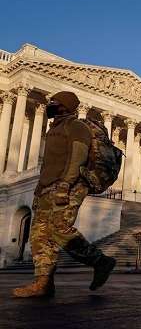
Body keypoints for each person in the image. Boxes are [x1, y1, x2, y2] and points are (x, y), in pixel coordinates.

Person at [12, 91, 116, 298]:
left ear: (65, 106)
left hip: (69, 185)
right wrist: (39, 189)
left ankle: (100, 261)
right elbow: (48, 165)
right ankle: (43, 283)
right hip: (46, 188)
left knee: (59, 228)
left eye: (55, 102)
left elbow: (78, 156)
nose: (50, 104)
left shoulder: (76, 126)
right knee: (39, 236)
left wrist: (65, 184)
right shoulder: (54, 129)